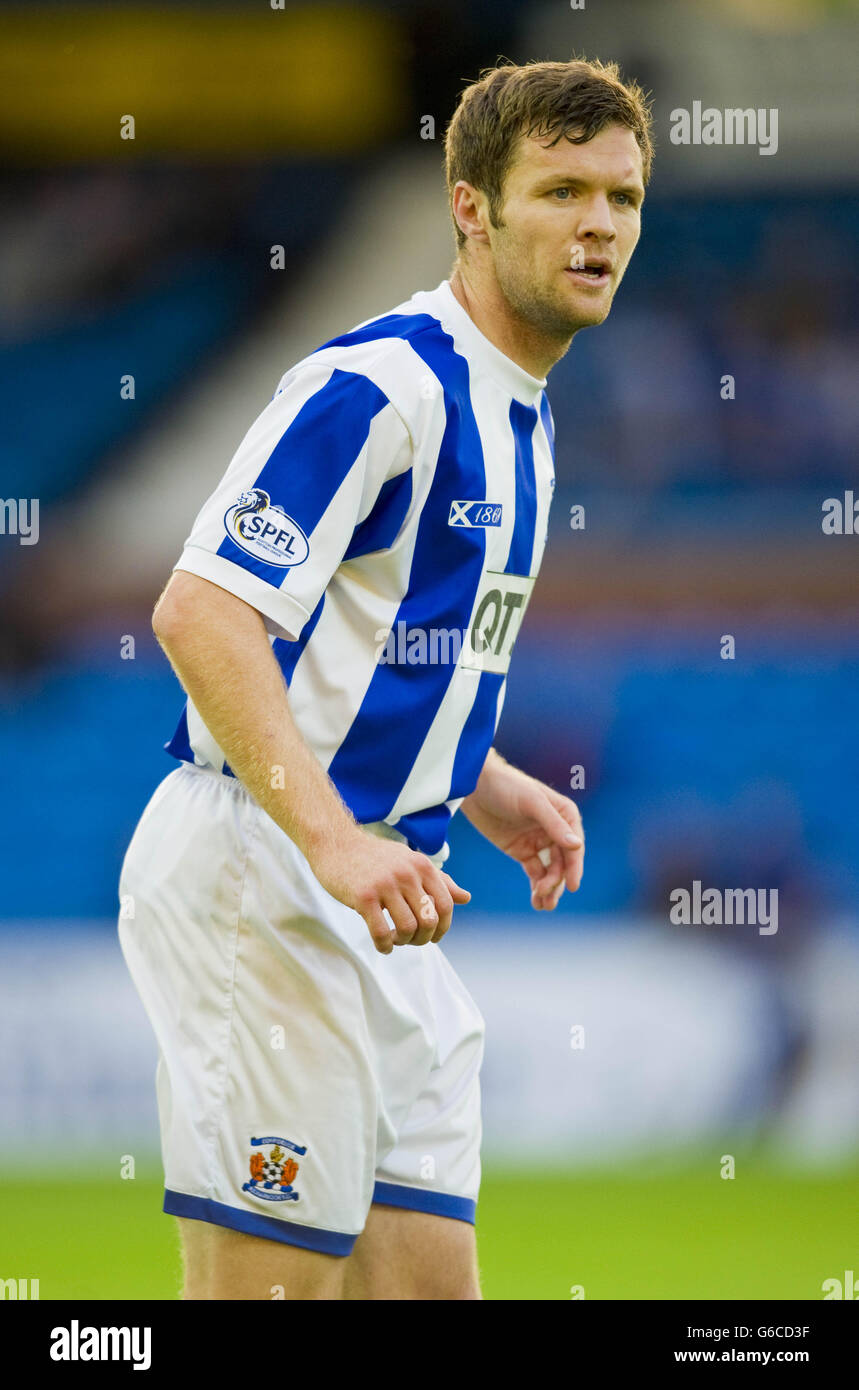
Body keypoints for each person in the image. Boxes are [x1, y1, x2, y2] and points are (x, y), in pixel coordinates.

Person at [118, 56, 652, 1301]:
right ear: (472, 207)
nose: (598, 227)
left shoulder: (522, 413)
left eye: (622, 199)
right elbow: (201, 613)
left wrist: (484, 782)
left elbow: (386, 646)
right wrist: (332, 842)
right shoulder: (379, 387)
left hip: (386, 893)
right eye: (562, 190)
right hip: (271, 868)